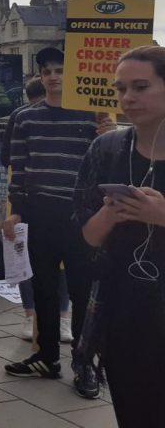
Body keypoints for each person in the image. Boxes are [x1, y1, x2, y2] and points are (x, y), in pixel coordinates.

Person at [2, 47, 114, 398]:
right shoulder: (24, 118)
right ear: (39, 77)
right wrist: (16, 210)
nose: (52, 77)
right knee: (44, 289)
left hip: (80, 215)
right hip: (38, 213)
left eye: (59, 70)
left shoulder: (92, 117)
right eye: (46, 71)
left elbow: (109, 168)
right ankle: (47, 357)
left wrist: (107, 137)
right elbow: (19, 167)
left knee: (82, 292)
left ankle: (84, 363)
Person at [76, 45, 165, 427]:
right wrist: (110, 213)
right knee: (134, 412)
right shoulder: (106, 149)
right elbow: (87, 237)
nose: (128, 98)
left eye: (141, 86)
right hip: (123, 312)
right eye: (121, 88)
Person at [0, 77, 72, 342]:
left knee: (55, 263)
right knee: (26, 259)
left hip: (63, 202)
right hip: (28, 197)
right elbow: (9, 157)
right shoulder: (21, 117)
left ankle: (58, 317)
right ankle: (34, 317)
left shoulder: (81, 115)